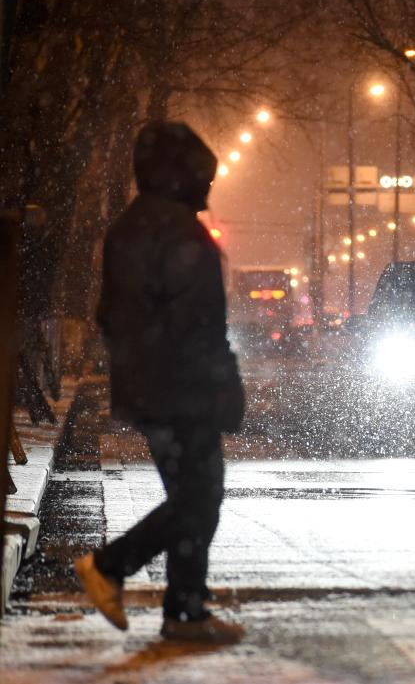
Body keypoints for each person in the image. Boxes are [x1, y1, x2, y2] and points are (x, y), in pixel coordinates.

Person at [74, 121, 245, 644]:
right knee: (198, 498)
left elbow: (110, 316)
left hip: (150, 385)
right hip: (184, 388)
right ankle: (114, 568)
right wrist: (222, 385)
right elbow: (201, 324)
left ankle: (185, 609)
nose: (207, 188)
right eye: (204, 177)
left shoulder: (130, 226)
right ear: (184, 174)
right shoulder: (177, 232)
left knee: (192, 497)